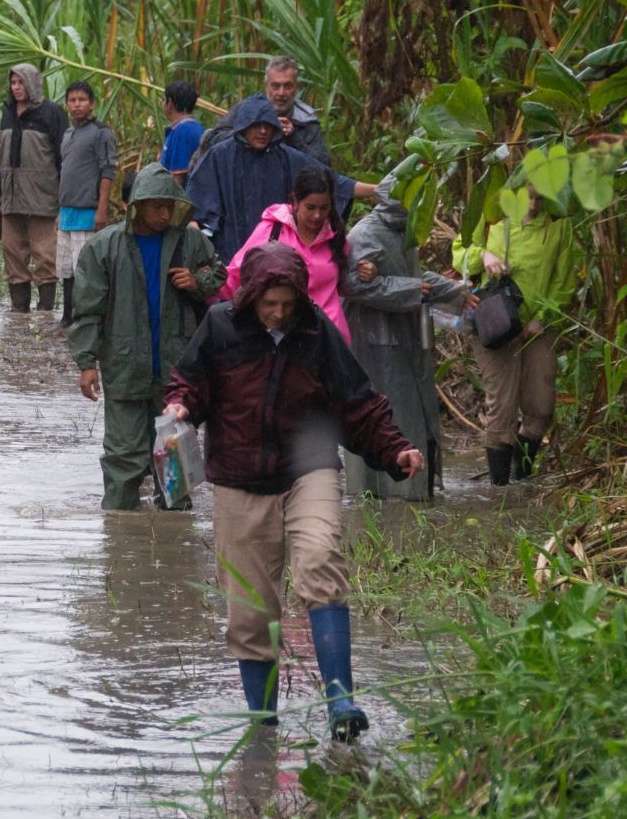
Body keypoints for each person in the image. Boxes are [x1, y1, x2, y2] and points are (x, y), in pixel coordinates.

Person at [163, 242, 424, 738]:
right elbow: (190, 384)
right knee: (250, 609)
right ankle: (262, 729)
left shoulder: (316, 333)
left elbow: (358, 405)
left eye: (286, 304)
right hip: (239, 478)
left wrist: (395, 451)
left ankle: (340, 701)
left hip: (309, 469)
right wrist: (180, 407)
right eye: (269, 305)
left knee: (322, 560)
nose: (278, 314)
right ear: (251, 298)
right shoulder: (219, 327)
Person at [71, 163, 225, 510]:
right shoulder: (104, 248)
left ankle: (177, 534)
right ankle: (120, 531)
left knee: (175, 452)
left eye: (170, 206)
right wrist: (86, 362)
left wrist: (196, 282)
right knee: (123, 454)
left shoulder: (190, 241)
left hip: (176, 368)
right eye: (157, 206)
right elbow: (87, 310)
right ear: (136, 205)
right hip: (124, 365)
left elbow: (218, 273)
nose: (164, 213)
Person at [343, 159, 473, 501]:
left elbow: (416, 278)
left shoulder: (406, 233)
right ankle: (380, 493)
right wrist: (411, 290)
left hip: (408, 338)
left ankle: (415, 491)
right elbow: (353, 285)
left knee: (414, 411)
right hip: (376, 344)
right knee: (386, 414)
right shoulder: (364, 234)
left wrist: (457, 291)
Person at [454, 184, 578, 484]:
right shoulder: (492, 218)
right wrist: (483, 255)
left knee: (541, 407)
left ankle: (521, 477)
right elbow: (459, 254)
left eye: (540, 198)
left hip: (537, 328)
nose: (533, 205)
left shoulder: (559, 226)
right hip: (495, 327)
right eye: (528, 197)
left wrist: (542, 319)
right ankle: (501, 491)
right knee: (503, 409)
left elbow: (564, 281)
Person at [186, 94, 372, 267]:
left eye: (268, 125)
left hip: (277, 256)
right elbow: (196, 205)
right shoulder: (220, 156)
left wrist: (378, 190)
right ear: (244, 125)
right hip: (228, 255)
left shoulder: (285, 157)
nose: (263, 131)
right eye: (256, 125)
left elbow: (335, 181)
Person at [222, 166, 352, 340]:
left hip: (329, 335)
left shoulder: (336, 236)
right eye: (310, 208)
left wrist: (366, 271)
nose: (317, 215)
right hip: (281, 333)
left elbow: (344, 284)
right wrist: (205, 287)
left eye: (324, 208)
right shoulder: (271, 231)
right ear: (295, 202)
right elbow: (238, 274)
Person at [0, 63, 68, 312]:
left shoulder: (51, 113)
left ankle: (46, 311)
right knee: (12, 253)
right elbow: (1, 156)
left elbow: (63, 158)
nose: (16, 88)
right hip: (11, 199)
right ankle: (19, 311)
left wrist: (63, 197)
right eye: (13, 83)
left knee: (45, 256)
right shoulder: (7, 113)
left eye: (21, 82)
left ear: (33, 83)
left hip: (42, 198)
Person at [191, 56, 335, 170]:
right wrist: (246, 131)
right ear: (266, 86)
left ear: (297, 87)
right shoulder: (245, 109)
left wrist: (293, 137)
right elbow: (212, 140)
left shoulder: (305, 119)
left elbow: (323, 166)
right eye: (275, 86)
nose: (281, 93)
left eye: (288, 86)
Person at [56, 81, 116, 326]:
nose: (77, 105)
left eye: (82, 100)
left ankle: (87, 319)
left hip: (87, 212)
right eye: (72, 100)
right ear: (67, 104)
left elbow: (107, 171)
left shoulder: (102, 133)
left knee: (85, 270)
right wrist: (58, 212)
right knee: (66, 270)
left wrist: (101, 210)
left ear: (92, 103)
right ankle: (67, 316)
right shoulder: (68, 134)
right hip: (66, 213)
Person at [157, 80, 204, 183]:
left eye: (164, 100)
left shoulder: (184, 131)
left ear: (170, 103)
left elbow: (177, 178)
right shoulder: (187, 128)